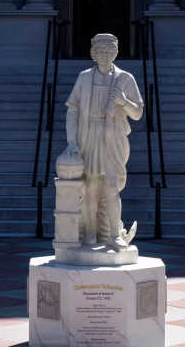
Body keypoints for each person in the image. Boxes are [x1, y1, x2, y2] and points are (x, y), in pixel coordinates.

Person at [62, 34, 144, 250]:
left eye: (109, 51)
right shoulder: (84, 77)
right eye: (101, 52)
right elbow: (73, 110)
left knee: (110, 187)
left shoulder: (125, 78)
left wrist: (123, 102)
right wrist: (72, 141)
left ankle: (114, 235)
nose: (105, 56)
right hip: (88, 137)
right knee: (90, 188)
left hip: (113, 139)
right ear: (93, 54)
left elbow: (137, 113)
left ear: (116, 53)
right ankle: (89, 233)